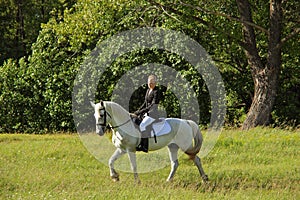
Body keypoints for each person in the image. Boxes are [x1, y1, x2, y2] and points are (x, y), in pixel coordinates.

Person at [134, 75, 160, 152]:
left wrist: (141, 112)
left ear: (155, 83)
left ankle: (144, 146)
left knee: (142, 125)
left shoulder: (156, 91)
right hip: (146, 113)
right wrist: (137, 111)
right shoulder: (148, 90)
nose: (150, 84)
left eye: (152, 83)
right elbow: (145, 103)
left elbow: (153, 105)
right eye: (149, 82)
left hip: (153, 114)